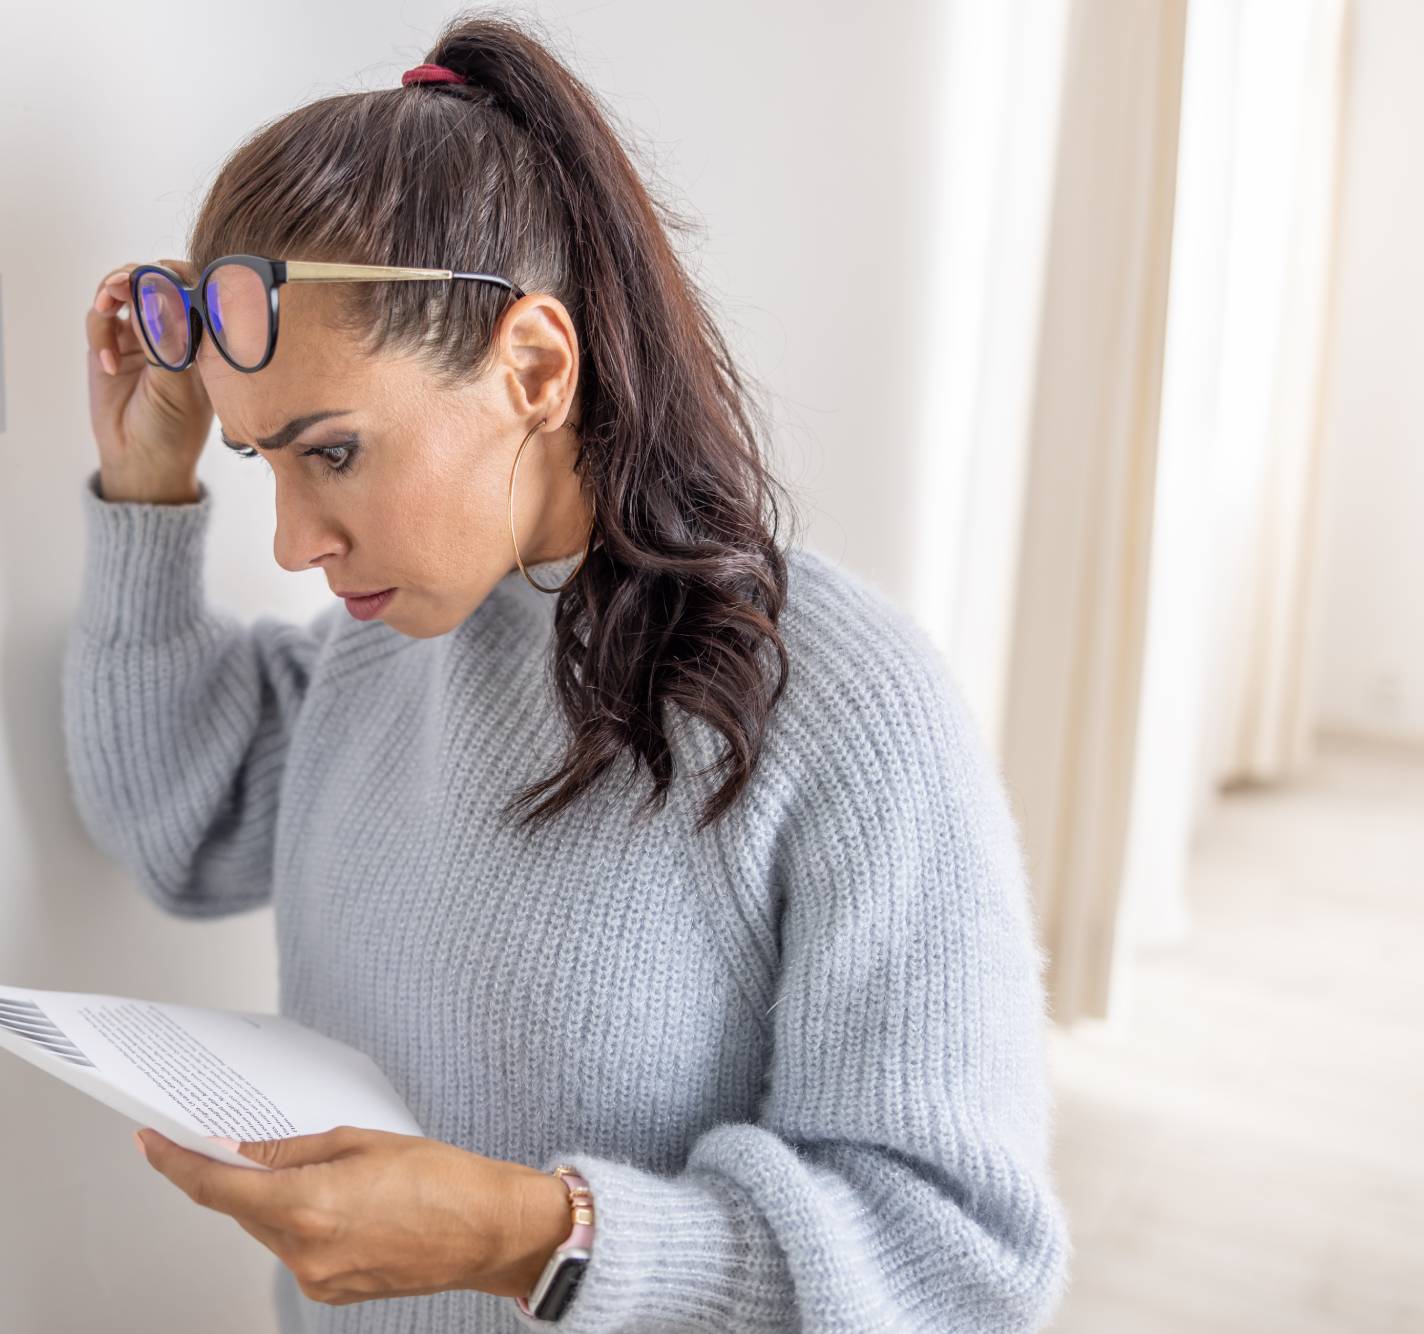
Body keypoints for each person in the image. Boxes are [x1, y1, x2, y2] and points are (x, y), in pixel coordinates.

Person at [63, 11, 1071, 1332]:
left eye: (336, 451)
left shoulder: (840, 702)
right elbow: (176, 825)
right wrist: (148, 485)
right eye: (265, 461)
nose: (296, 541)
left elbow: (959, 1261)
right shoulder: (389, 645)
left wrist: (527, 1237)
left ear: (534, 367)